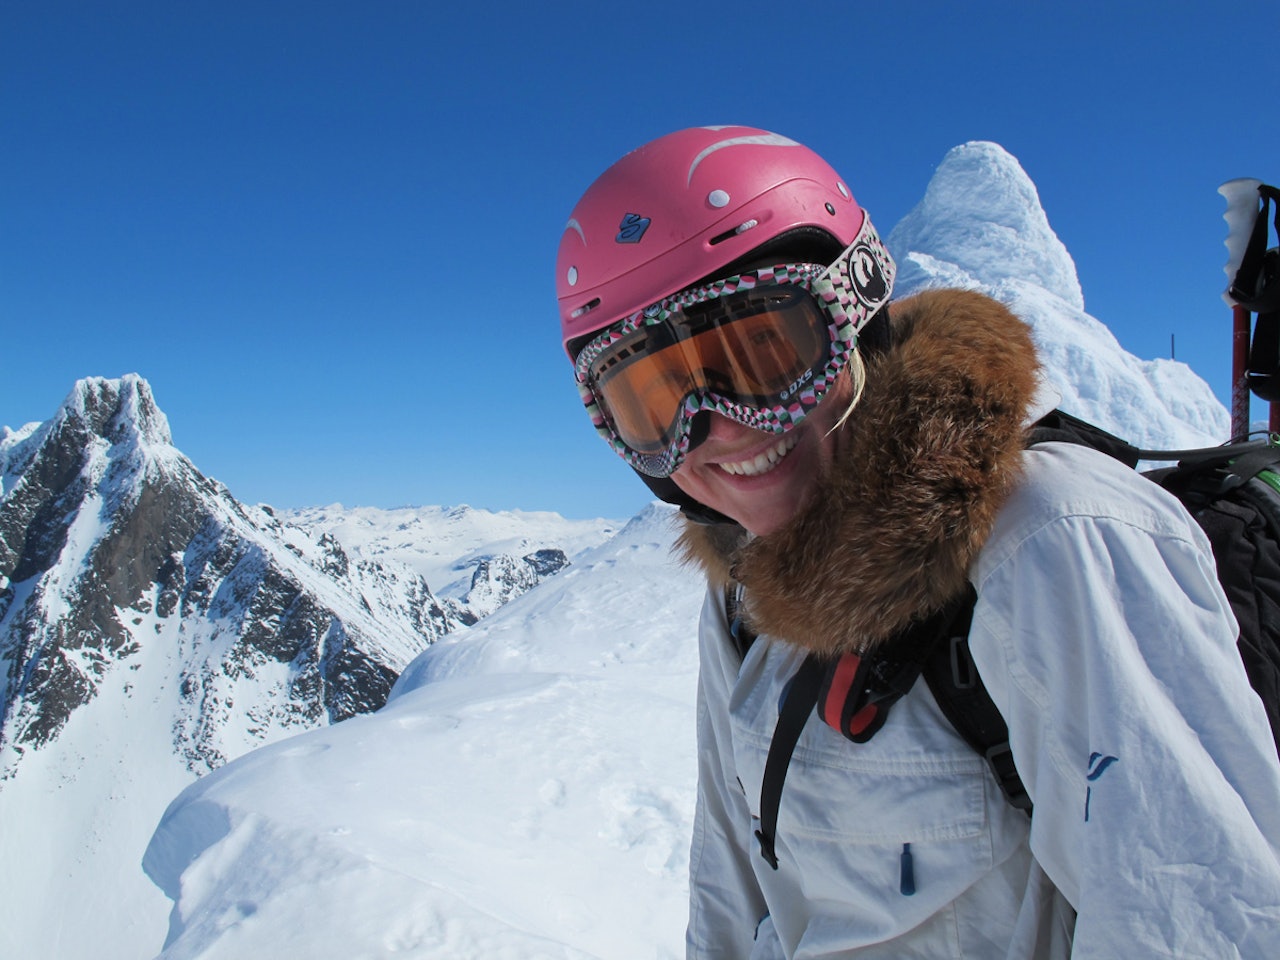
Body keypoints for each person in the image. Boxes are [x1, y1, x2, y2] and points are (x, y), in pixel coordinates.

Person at [555, 125, 1280, 958]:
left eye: (762, 357)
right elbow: (728, 885)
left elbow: (1191, 922)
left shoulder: (1050, 540)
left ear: (853, 312)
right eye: (655, 401)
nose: (719, 428)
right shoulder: (744, 600)